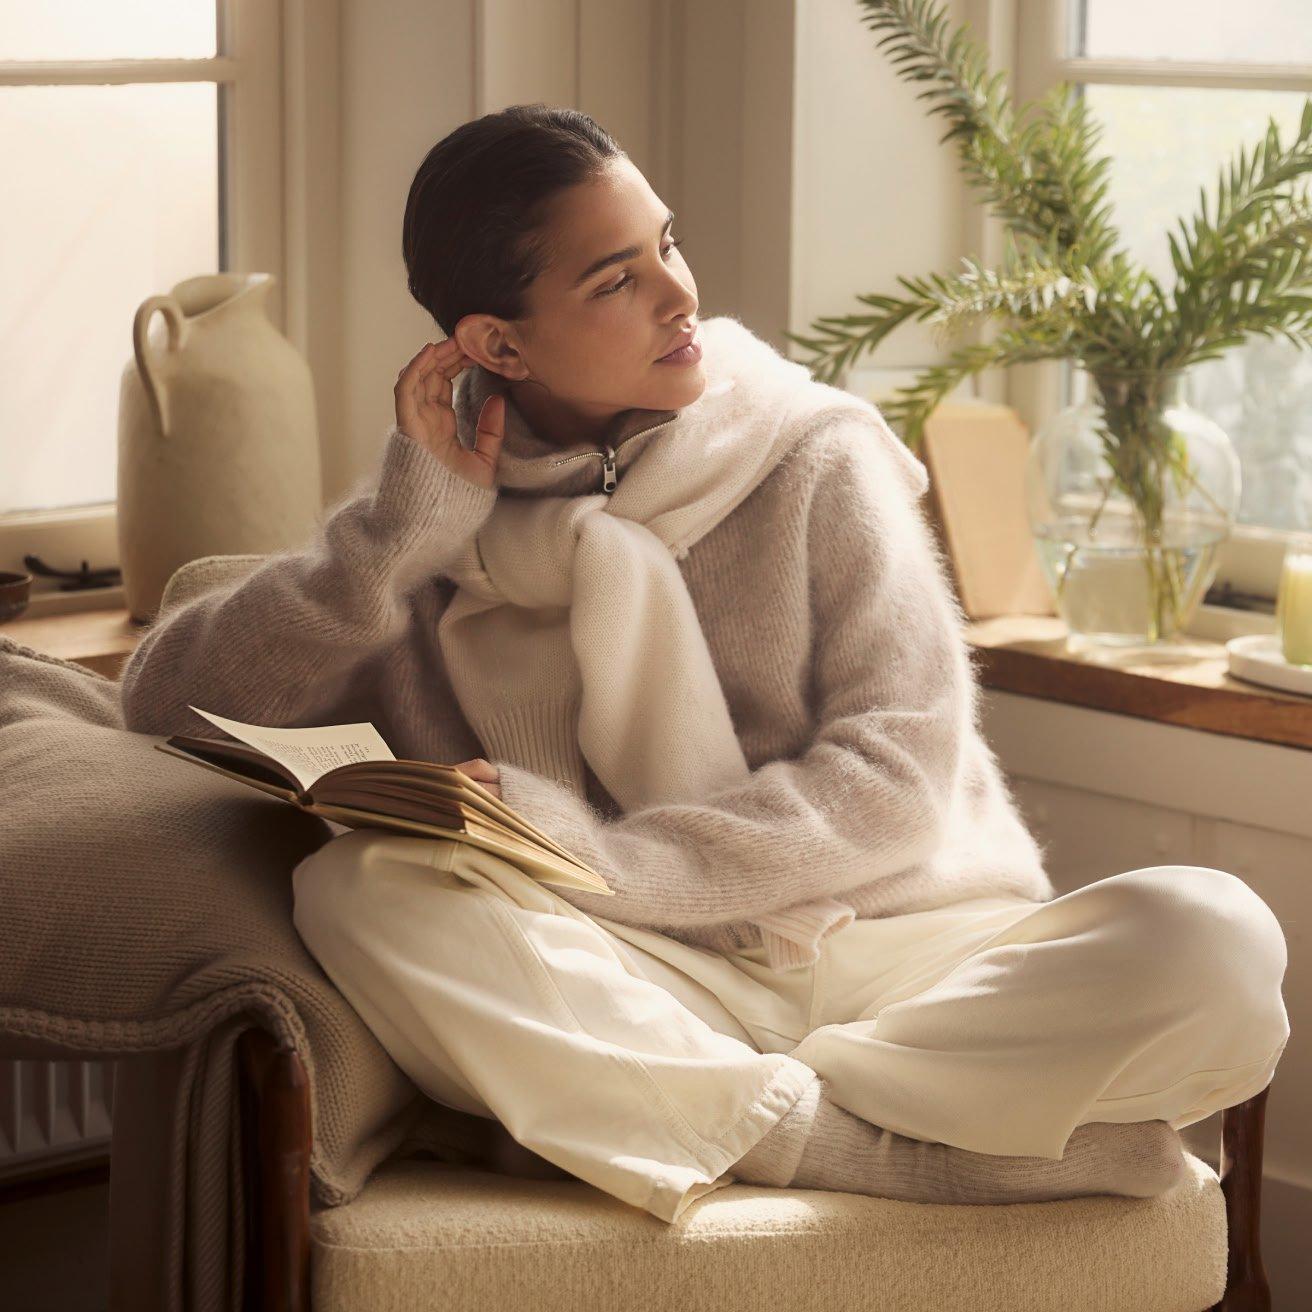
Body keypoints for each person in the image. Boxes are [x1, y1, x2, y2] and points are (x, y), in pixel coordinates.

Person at [118, 104, 1291, 1226]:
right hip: (659, 980)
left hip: (905, 947)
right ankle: (847, 1142)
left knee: (1215, 936)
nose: (679, 292)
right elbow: (165, 701)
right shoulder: (433, 516)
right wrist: (388, 540)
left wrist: (596, 860)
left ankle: (694, 1110)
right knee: (359, 891)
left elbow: (893, 776)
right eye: (614, 278)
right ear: (494, 343)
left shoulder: (813, 452)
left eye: (664, 242)